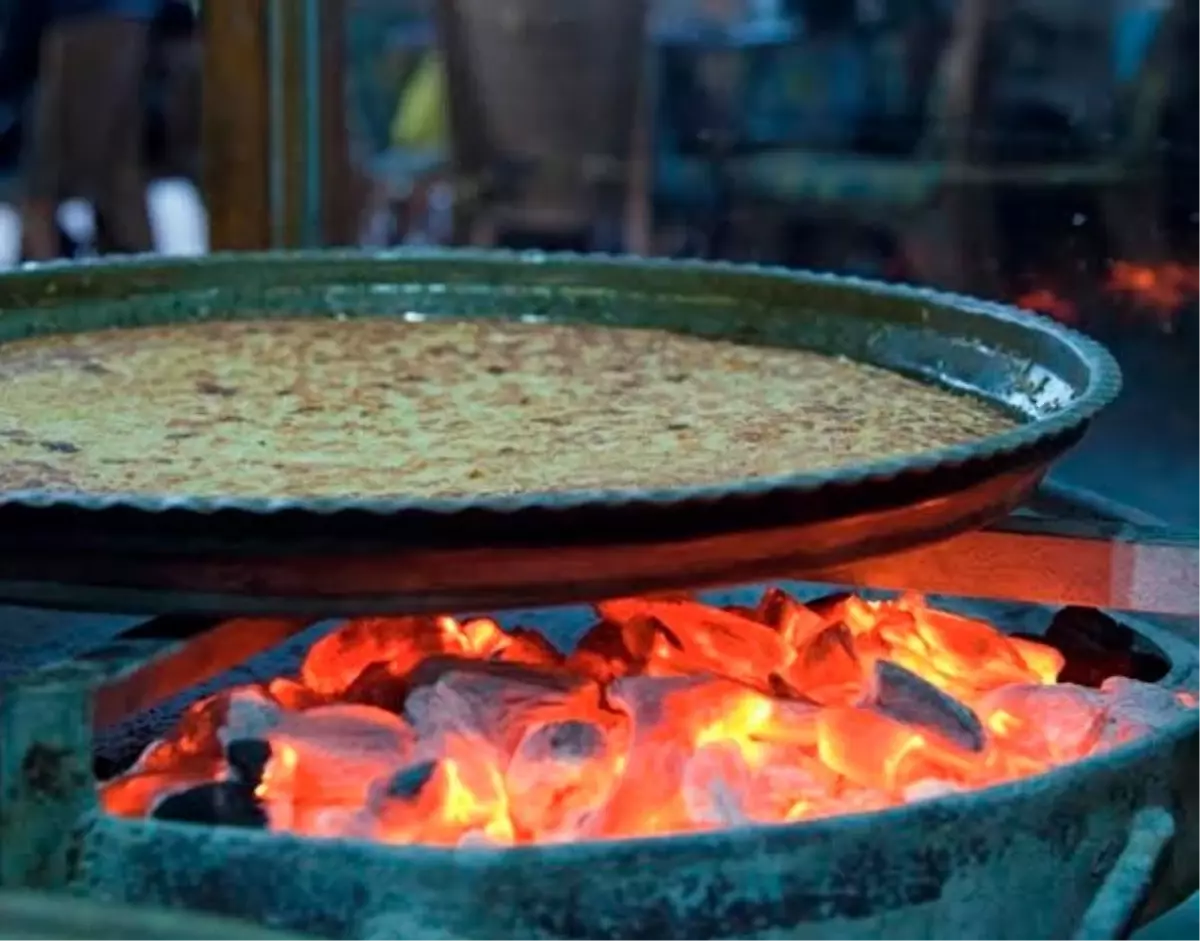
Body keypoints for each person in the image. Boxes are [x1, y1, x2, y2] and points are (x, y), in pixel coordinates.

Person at [14, 0, 162, 260]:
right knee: (115, 170)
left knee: (47, 178)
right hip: (103, 19)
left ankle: (44, 282)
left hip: (87, 18)